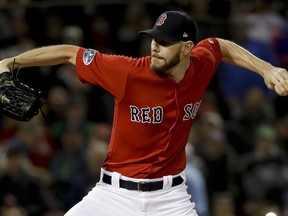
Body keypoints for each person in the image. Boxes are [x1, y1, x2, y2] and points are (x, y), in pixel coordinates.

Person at [0, 10, 288, 216]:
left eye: (164, 42)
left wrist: (268, 69)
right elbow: (69, 52)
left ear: (187, 48)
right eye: (154, 38)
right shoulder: (127, 72)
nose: (155, 46)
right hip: (113, 195)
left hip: (171, 198)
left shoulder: (200, 63)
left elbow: (221, 46)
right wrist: (11, 62)